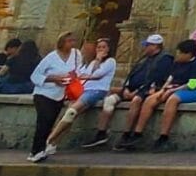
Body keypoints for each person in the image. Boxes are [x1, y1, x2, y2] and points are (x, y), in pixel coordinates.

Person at [119, 41, 196, 152]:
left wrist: (171, 90)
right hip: (172, 88)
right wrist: (163, 90)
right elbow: (171, 78)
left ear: (188, 54)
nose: (177, 55)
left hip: (194, 91)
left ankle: (164, 136)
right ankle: (138, 133)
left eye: (180, 53)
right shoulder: (177, 63)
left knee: (173, 100)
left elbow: (192, 85)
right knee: (150, 100)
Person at [85, 34, 170, 149]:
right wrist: (126, 88)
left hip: (145, 90)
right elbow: (132, 74)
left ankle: (127, 133)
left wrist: (137, 91)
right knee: (110, 100)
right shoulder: (143, 59)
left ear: (155, 46)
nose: (145, 47)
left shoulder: (164, 59)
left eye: (148, 45)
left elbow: (156, 78)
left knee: (136, 100)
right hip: (130, 88)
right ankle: (101, 132)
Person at [46, 37, 117, 152]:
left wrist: (97, 61)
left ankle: (48, 140)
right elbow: (82, 75)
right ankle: (53, 144)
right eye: (98, 47)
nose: (100, 49)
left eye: (103, 47)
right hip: (83, 90)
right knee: (68, 115)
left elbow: (96, 74)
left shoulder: (110, 62)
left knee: (72, 111)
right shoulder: (92, 62)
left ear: (109, 49)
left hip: (97, 90)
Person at [27, 33, 83, 162]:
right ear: (62, 42)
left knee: (50, 122)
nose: (72, 44)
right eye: (69, 41)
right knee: (43, 121)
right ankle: (36, 151)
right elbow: (35, 76)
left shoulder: (76, 55)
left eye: (73, 41)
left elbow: (78, 70)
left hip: (60, 94)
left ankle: (41, 149)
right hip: (44, 93)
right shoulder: (51, 57)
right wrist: (53, 79)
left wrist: (72, 77)